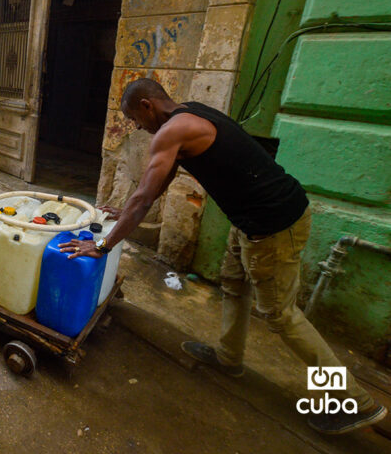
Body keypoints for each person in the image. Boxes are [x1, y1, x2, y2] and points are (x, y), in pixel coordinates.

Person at [60, 78, 387, 435]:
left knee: (281, 315)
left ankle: (354, 401)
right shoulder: (190, 115)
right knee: (233, 282)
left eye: (136, 120)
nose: (138, 128)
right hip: (248, 220)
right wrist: (124, 211)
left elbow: (144, 199)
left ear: (146, 106)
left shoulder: (170, 131)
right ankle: (229, 358)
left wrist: (104, 245)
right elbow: (154, 186)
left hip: (274, 225)